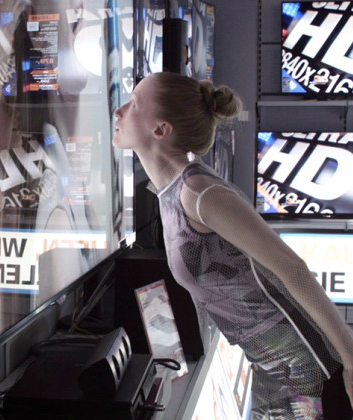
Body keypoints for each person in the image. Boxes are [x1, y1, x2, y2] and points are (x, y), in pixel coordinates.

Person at [112, 71, 353, 419]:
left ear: (161, 129)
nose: (119, 111)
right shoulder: (171, 192)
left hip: (309, 370)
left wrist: (350, 359)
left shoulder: (200, 194)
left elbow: (291, 268)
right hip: (273, 367)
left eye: (134, 104)